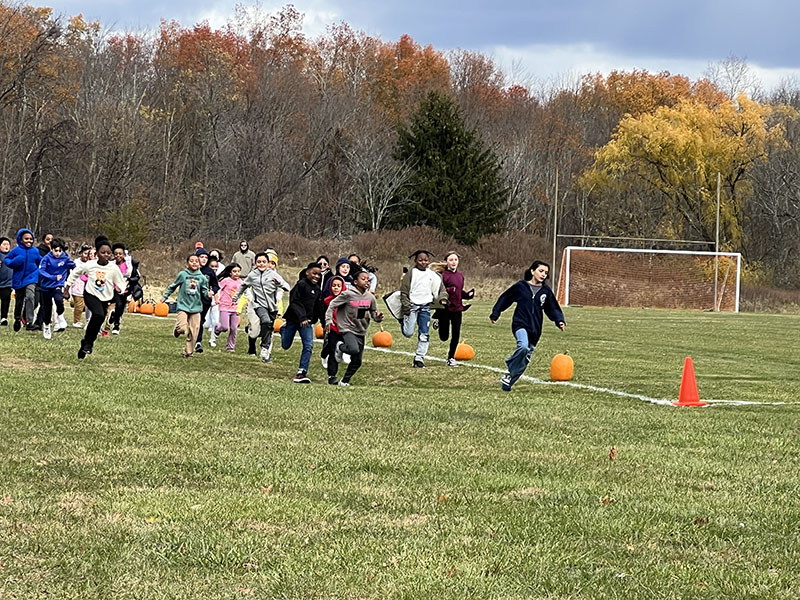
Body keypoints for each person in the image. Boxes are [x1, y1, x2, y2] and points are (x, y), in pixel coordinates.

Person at [490, 260, 566, 392]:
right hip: (520, 324)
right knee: (523, 346)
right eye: (541, 271)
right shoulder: (521, 286)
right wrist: (496, 313)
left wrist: (559, 320)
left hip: (535, 329)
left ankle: (508, 383)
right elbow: (505, 298)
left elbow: (552, 308)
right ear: (532, 271)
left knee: (524, 360)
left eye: (546, 273)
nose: (543, 275)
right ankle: (509, 367)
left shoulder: (546, 291)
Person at [64, 237, 126, 359]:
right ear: (97, 253)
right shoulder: (90, 265)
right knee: (98, 315)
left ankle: (86, 342)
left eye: (109, 253)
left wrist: (121, 289)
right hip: (91, 294)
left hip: (105, 297)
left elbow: (121, 282)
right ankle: (88, 344)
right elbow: (75, 273)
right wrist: (66, 288)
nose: (106, 255)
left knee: (99, 319)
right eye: (103, 252)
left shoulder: (113, 268)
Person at [325, 270, 384, 386]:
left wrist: (378, 317)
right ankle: (339, 346)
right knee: (353, 349)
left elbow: (373, 314)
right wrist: (328, 320)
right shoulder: (348, 294)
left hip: (361, 330)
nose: (366, 281)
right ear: (356, 282)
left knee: (357, 361)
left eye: (368, 279)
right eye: (363, 279)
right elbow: (332, 305)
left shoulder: (370, 297)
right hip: (347, 328)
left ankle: (344, 381)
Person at [232, 250, 290, 363]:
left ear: (268, 263)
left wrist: (280, 284)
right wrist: (236, 296)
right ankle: (264, 345)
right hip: (258, 304)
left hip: (272, 306)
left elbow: (286, 287)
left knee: (269, 327)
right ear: (255, 263)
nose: (261, 264)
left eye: (264, 262)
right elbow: (243, 285)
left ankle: (265, 349)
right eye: (259, 262)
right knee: (266, 321)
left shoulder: (274, 275)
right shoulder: (253, 275)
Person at [399, 250, 448, 368]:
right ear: (415, 261)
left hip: (425, 306)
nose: (423, 262)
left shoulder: (432, 275)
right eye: (420, 260)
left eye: (425, 260)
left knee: (424, 333)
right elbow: (404, 292)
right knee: (408, 332)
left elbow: (441, 289)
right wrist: (406, 306)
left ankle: (419, 358)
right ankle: (402, 320)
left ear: (429, 261)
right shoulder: (411, 273)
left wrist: (443, 299)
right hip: (412, 306)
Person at [161, 254, 212, 358]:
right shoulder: (182, 275)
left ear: (199, 264)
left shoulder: (202, 278)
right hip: (183, 306)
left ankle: (188, 352)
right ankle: (177, 330)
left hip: (196, 307)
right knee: (183, 328)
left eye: (196, 261)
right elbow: (173, 286)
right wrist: (165, 296)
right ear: (187, 263)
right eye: (191, 261)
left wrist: (208, 295)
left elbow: (204, 291)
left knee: (195, 331)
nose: (194, 263)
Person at [280, 262, 323, 383]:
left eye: (319, 275)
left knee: (308, 345)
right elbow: (294, 302)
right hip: (294, 320)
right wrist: (302, 317)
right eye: (314, 273)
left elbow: (318, 308)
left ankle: (301, 372)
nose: (316, 277)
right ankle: (284, 329)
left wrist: (324, 324)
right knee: (285, 345)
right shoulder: (301, 285)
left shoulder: (317, 289)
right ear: (307, 272)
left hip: (307, 322)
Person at [433, 252, 475, 367]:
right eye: (451, 260)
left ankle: (450, 358)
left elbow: (459, 291)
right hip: (445, 308)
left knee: (456, 334)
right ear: (446, 261)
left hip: (457, 308)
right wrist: (450, 291)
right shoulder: (442, 275)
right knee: (444, 337)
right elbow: (439, 291)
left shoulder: (460, 276)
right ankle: (439, 321)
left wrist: (467, 295)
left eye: (455, 260)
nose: (453, 262)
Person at [4, 228, 42, 331]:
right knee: (19, 301)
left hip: (31, 277)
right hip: (18, 279)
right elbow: (7, 260)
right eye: (26, 239)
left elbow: (40, 262)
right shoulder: (16, 251)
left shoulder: (35, 251)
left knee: (30, 297)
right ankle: (17, 318)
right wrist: (15, 262)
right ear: (21, 240)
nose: (29, 241)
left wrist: (37, 271)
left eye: (30, 239)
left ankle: (29, 322)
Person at [37, 237, 74, 339]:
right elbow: (41, 271)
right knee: (47, 308)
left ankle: (61, 316)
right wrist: (52, 277)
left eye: (60, 251)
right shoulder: (46, 258)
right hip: (45, 286)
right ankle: (47, 326)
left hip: (58, 285)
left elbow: (73, 266)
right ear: (51, 249)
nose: (57, 253)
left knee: (58, 299)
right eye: (55, 250)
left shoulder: (65, 258)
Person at [105, 243, 141, 335]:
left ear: (124, 254)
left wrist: (129, 280)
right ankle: (116, 325)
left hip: (126, 289)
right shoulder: (111, 265)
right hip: (115, 289)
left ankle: (115, 318)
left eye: (120, 254)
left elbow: (137, 276)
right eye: (116, 254)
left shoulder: (130, 264)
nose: (118, 256)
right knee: (119, 304)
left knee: (121, 308)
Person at [193, 248, 220, 353]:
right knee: (193, 321)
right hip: (192, 299)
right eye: (201, 257)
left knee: (200, 320)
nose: (204, 259)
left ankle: (198, 342)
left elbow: (215, 285)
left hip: (205, 300)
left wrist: (213, 292)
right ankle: (192, 336)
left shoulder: (209, 272)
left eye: (206, 257)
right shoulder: (192, 270)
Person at [320, 275, 346, 379]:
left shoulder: (347, 300)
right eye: (334, 285)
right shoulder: (327, 301)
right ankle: (332, 375)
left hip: (344, 329)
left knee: (340, 347)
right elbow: (324, 314)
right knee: (332, 350)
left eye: (338, 286)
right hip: (332, 328)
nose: (336, 288)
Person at [214, 263, 243, 352]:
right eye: (234, 271)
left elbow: (245, 293)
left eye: (238, 271)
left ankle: (230, 347)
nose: (236, 273)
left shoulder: (241, 282)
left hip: (235, 308)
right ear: (230, 273)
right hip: (224, 307)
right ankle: (217, 329)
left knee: (234, 328)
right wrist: (216, 298)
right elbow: (216, 289)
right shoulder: (226, 281)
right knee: (225, 327)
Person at [69, 244, 92, 328]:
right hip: (77, 286)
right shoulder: (76, 262)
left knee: (86, 306)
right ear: (81, 253)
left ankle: (87, 321)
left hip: (87, 287)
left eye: (88, 254)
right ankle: (76, 321)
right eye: (85, 254)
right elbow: (73, 273)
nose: (87, 256)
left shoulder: (91, 263)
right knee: (79, 305)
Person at [0, 237, 12, 325]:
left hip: (8, 283)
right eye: (4, 244)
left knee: (6, 299)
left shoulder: (12, 255)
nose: (6, 246)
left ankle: (4, 318)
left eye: (8, 244)